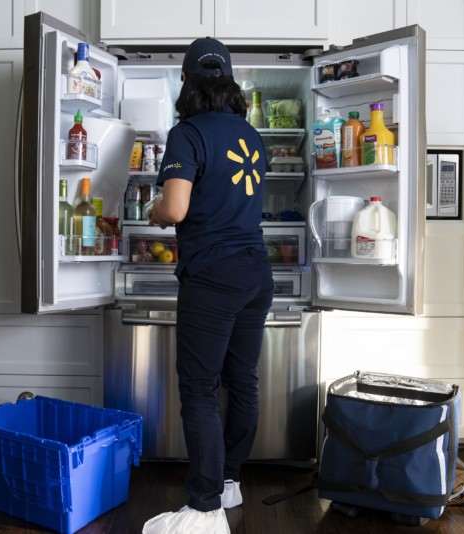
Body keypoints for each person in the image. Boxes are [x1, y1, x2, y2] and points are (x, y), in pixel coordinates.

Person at [142, 37, 273, 534]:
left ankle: (203, 509)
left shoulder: (188, 134)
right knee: (242, 382)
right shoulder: (250, 135)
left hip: (213, 275)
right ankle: (229, 482)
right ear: (230, 81)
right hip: (255, 271)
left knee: (199, 390)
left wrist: (155, 211)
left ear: (186, 82)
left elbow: (175, 208)